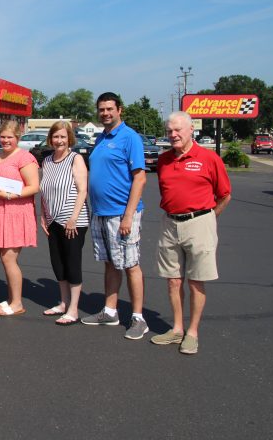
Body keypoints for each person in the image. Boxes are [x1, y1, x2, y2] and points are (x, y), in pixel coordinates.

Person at [151, 111, 231, 355]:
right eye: (169, 131)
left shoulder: (208, 158)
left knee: (196, 281)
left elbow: (225, 194)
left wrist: (208, 218)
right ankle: (176, 328)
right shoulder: (163, 159)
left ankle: (192, 332)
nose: (173, 135)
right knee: (173, 281)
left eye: (178, 130)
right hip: (170, 224)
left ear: (190, 131)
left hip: (200, 223)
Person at [81, 92, 148, 340]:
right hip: (101, 212)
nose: (105, 113)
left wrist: (128, 216)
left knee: (131, 265)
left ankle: (139, 318)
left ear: (119, 109)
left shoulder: (130, 138)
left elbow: (140, 177)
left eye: (110, 108)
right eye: (102, 109)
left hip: (122, 213)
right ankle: (110, 311)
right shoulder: (101, 138)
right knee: (111, 262)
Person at [0, 120, 39, 316]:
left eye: (10, 137)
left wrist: (9, 194)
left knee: (9, 259)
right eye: (3, 136)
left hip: (15, 212)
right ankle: (11, 298)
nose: (6, 140)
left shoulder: (25, 157)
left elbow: (34, 186)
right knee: (4, 258)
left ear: (18, 137)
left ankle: (17, 303)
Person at [40, 121, 89, 325]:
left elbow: (82, 190)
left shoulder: (75, 159)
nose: (59, 141)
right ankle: (63, 302)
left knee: (72, 264)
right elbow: (45, 191)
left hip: (72, 221)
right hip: (52, 220)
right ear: (50, 139)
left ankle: (73, 309)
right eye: (55, 136)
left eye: (63, 137)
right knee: (58, 264)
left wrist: (73, 218)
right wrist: (43, 216)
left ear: (69, 138)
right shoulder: (47, 161)